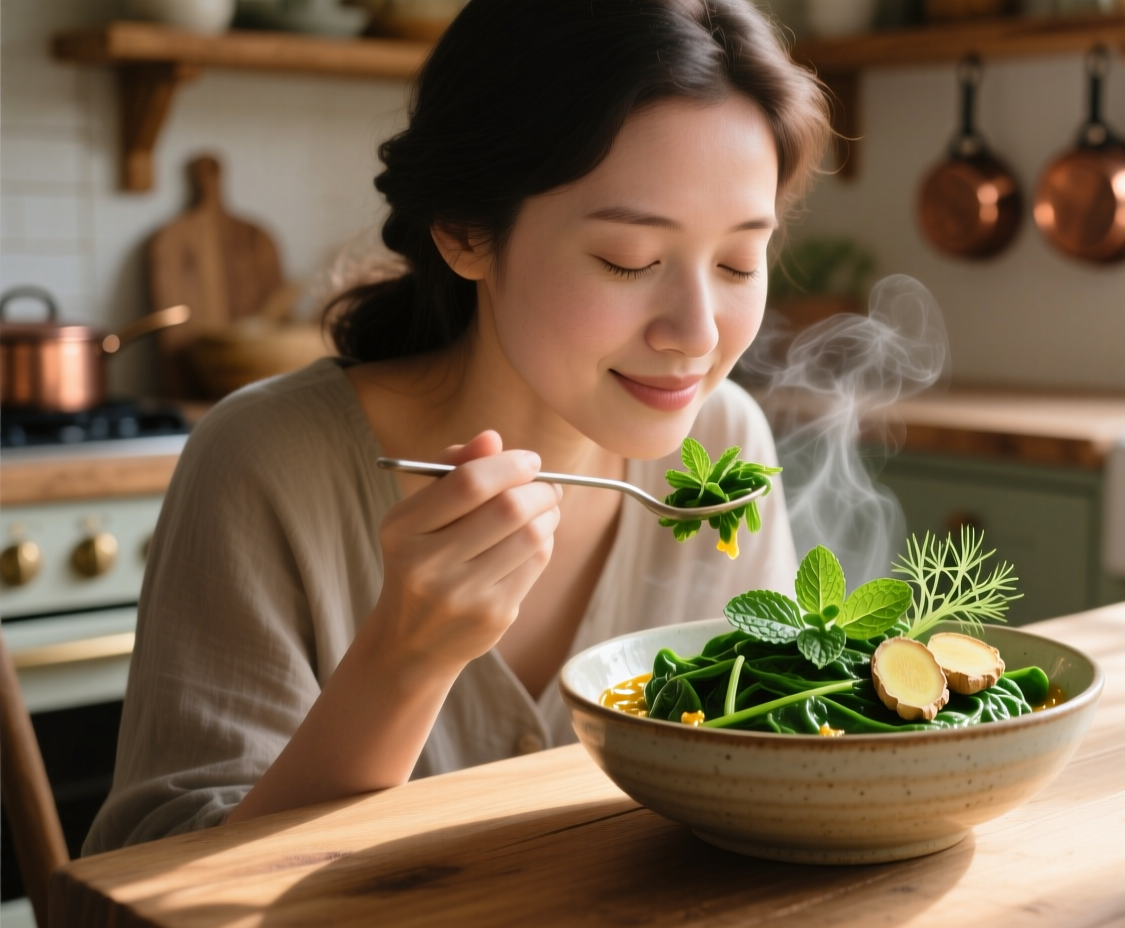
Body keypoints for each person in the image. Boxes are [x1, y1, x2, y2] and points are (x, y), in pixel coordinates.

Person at [87, 0, 829, 852]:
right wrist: (406, 659)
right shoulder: (264, 462)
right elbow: (160, 884)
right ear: (466, 231)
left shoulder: (722, 445)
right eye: (631, 260)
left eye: (741, 261)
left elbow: (764, 777)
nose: (698, 334)